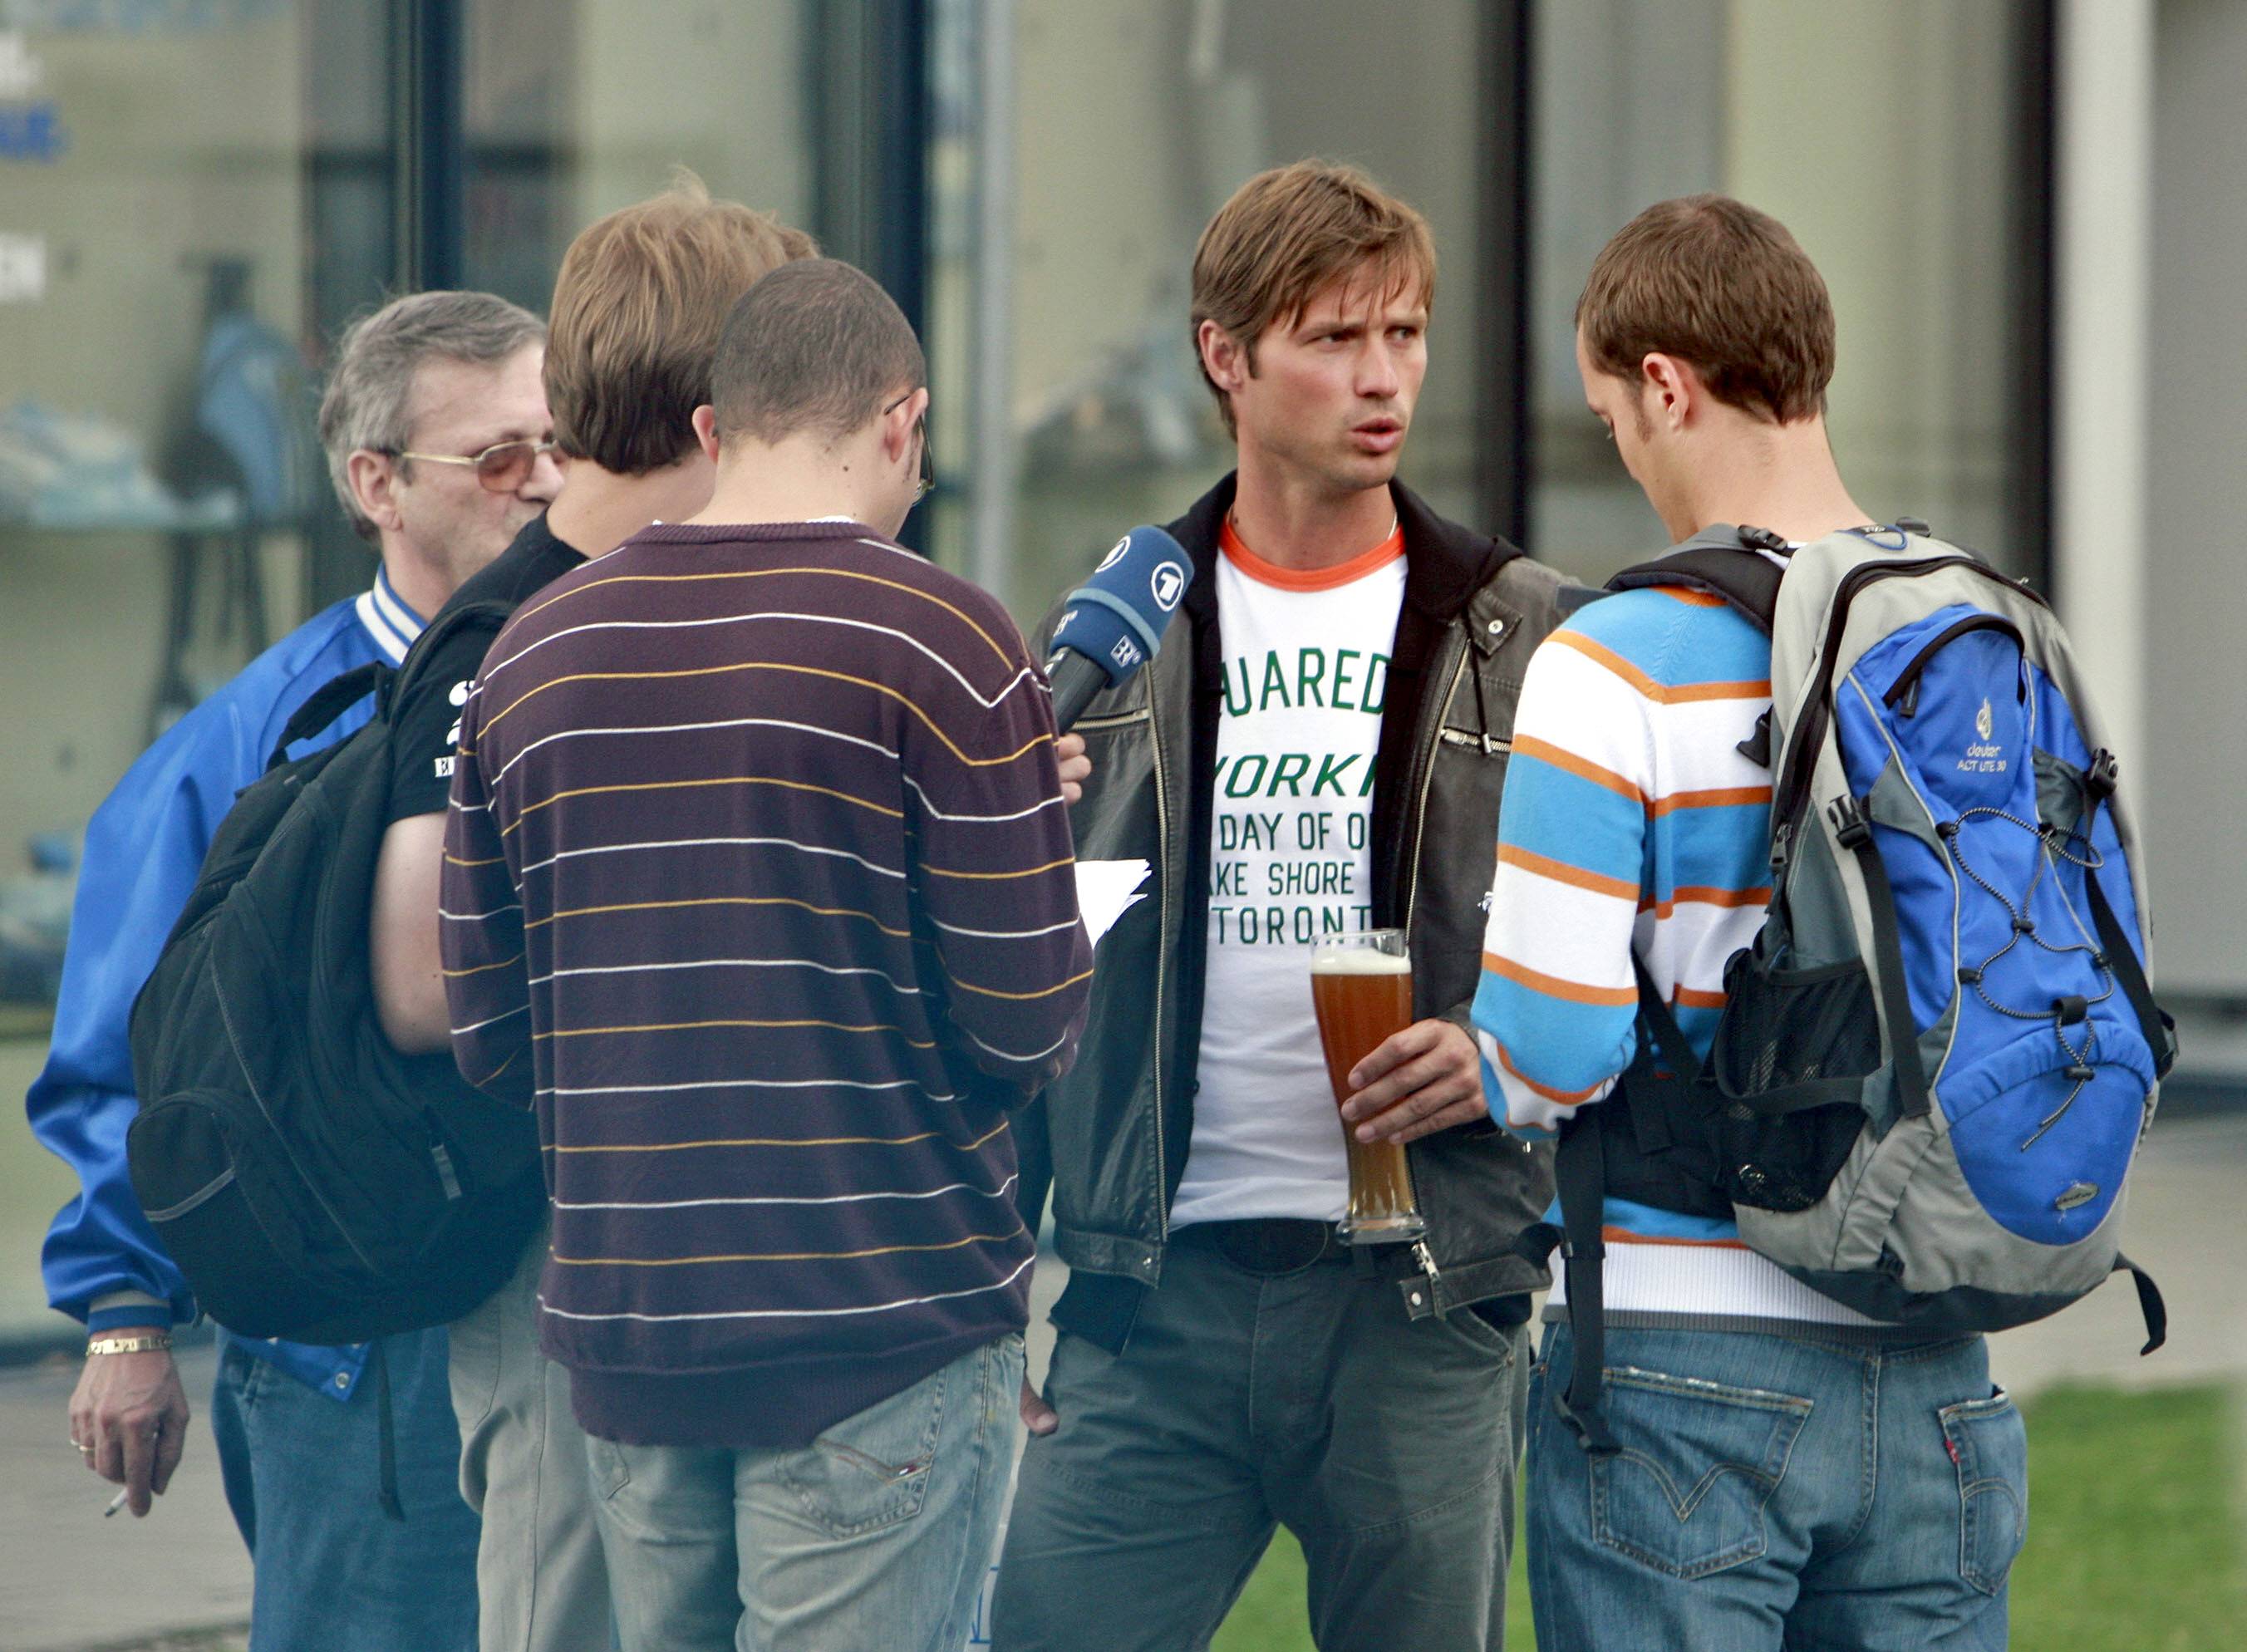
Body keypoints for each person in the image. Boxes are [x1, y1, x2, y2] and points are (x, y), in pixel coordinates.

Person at [440, 257, 1092, 1652]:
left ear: (717, 433)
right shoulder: (946, 639)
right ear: (904, 424)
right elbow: (1028, 1023)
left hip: (629, 1329)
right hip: (882, 1315)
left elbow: (492, 1036)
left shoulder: (530, 656)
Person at [991, 160, 1566, 1652]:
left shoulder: (1521, 633)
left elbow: (1617, 938)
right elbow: (1017, 981)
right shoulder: (1112, 642)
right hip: (1149, 1293)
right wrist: (1001, 1290)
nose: (1386, 381)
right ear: (1224, 357)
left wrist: (1499, 1046)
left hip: (1423, 1302)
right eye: (1335, 339)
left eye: (1409, 336)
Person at [1475, 194, 2023, 1650]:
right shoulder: (1975, 633)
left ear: (1665, 383)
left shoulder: (1613, 661)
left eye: (1611, 420)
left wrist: (1463, 1064)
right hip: (1943, 1353)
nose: (1625, 455)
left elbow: (1553, 1054)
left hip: (1682, 1359)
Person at [30, 288, 558, 1648]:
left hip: (586, 1312)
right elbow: (124, 1050)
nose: (547, 480)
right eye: (501, 455)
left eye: (566, 442)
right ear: (373, 483)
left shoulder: (594, 678)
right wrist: (125, 1318)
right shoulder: (260, 734)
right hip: (364, 1351)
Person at [365, 173, 814, 1652]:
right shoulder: (505, 635)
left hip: (727, 1255)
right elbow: (426, 984)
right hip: (559, 1257)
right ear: (716, 415)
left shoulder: (711, 608)